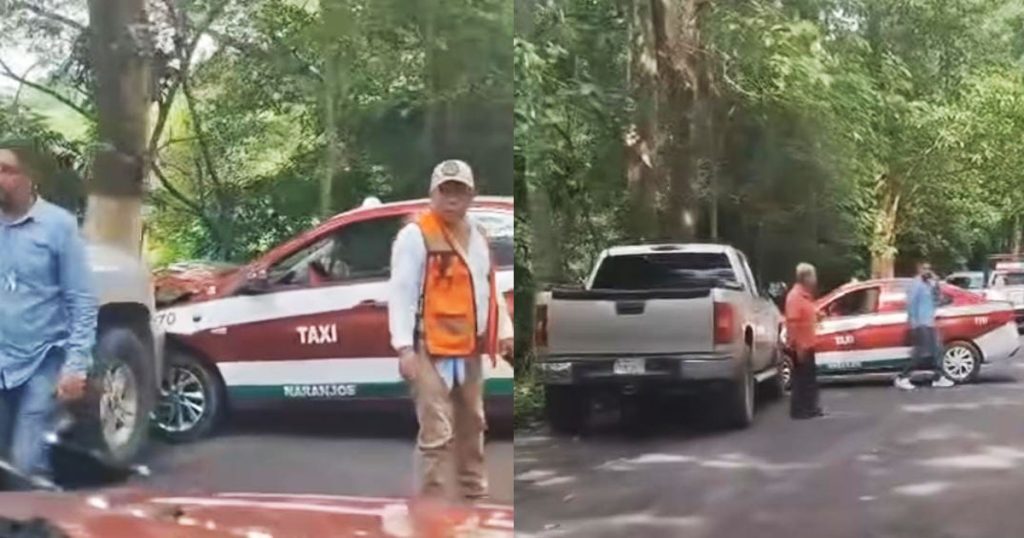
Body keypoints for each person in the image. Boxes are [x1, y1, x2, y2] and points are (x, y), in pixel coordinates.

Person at [388, 159, 514, 502]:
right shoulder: (415, 236)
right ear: (433, 193)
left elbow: (486, 287)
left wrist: (502, 330)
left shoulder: (477, 235)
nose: (452, 197)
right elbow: (401, 292)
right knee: (437, 431)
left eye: (460, 189)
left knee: (473, 425)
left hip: (469, 347)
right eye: (446, 190)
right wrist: (404, 348)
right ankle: (433, 511)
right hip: (429, 348)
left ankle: (473, 499)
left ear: (471, 194)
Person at [0, 141, 97, 483]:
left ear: (30, 178)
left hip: (43, 361)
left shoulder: (58, 226)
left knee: (23, 466)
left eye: (6, 170)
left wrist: (75, 366)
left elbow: (81, 301)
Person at [895, 261, 954, 390]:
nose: (927, 271)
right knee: (920, 353)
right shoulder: (915, 284)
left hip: (930, 322)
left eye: (929, 268)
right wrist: (913, 324)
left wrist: (937, 284)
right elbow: (910, 304)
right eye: (924, 268)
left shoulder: (929, 284)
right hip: (920, 324)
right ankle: (902, 377)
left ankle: (939, 378)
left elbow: (937, 300)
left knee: (937, 351)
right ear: (918, 270)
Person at [785, 262, 824, 419]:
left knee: (809, 379)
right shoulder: (795, 297)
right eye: (813, 276)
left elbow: (805, 316)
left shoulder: (805, 296)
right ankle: (800, 410)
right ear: (805, 277)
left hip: (808, 343)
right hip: (801, 345)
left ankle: (810, 407)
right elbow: (793, 323)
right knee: (801, 380)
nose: (815, 279)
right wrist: (798, 346)